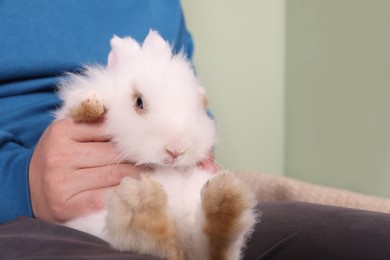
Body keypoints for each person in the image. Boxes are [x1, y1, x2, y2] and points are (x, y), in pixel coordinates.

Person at [1, 1, 390, 259]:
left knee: (370, 240)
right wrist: (21, 184)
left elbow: (187, 98)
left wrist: (201, 156)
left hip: (177, 195)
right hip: (30, 222)